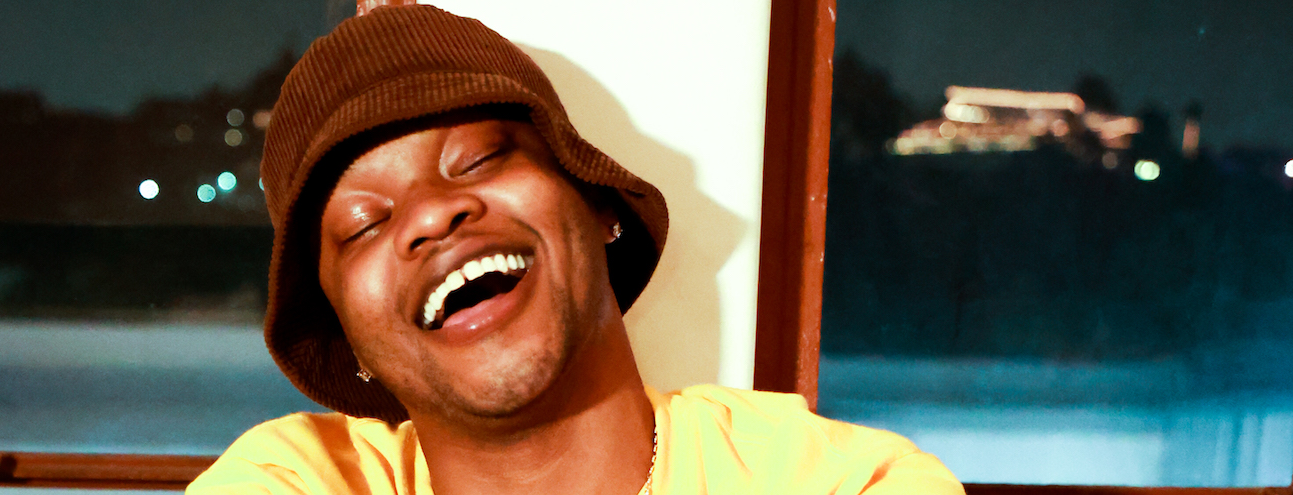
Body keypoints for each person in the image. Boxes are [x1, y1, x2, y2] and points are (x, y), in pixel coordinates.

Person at [187, 5, 963, 494]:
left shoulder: (834, 484)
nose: (432, 213)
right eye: (364, 224)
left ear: (599, 207)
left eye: (480, 160)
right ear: (346, 334)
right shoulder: (297, 480)